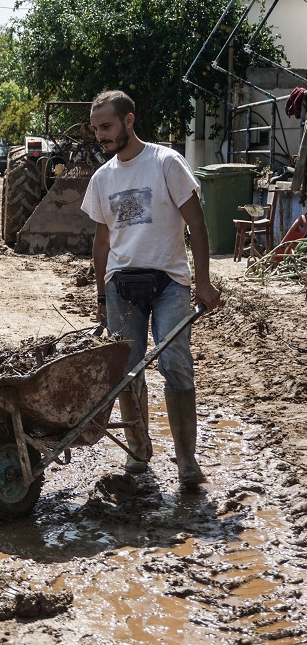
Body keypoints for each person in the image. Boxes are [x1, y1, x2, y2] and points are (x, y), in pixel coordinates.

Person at [81, 90, 222, 487]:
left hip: (169, 283)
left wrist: (204, 282)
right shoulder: (102, 177)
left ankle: (186, 461)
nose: (101, 136)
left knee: (174, 363)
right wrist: (101, 298)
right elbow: (102, 243)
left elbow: (197, 224)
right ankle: (138, 452)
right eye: (95, 130)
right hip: (121, 285)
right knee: (127, 371)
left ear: (129, 120)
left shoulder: (165, 162)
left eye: (106, 127)